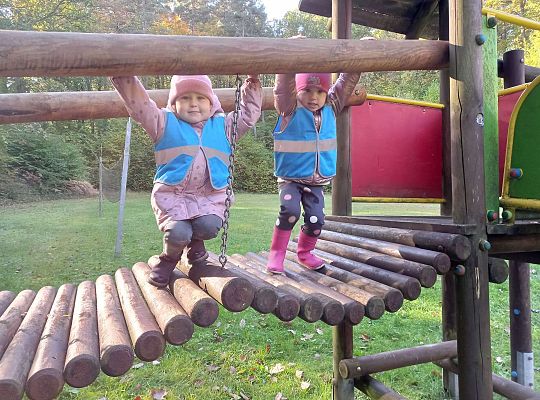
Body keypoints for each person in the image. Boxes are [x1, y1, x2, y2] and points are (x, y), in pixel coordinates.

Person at [111, 74, 262, 287]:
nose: (193, 104)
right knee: (178, 233)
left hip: (209, 196)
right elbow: (140, 107)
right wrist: (122, 74)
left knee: (209, 226)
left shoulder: (224, 127)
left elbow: (248, 115)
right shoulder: (163, 122)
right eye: (185, 98)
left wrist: (252, 82)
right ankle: (169, 259)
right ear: (174, 103)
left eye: (201, 98)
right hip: (173, 196)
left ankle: (196, 242)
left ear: (211, 103)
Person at [266, 70, 361, 274]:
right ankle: (276, 255)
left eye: (320, 91)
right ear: (297, 91)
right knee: (289, 211)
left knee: (316, 221)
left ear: (327, 94)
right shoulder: (289, 107)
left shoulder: (331, 107)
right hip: (291, 178)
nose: (314, 97)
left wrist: (357, 63)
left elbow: (346, 82)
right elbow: (283, 87)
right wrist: (291, 60)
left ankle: (305, 253)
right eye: (307, 90)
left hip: (316, 180)